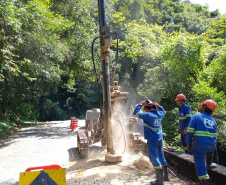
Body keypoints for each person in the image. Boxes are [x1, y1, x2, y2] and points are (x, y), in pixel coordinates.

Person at [133, 100, 168, 185]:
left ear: (148, 109)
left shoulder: (148, 115)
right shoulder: (160, 114)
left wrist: (140, 104)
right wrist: (158, 105)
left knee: (154, 158)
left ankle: (159, 181)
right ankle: (166, 177)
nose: (146, 111)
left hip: (152, 139)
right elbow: (163, 110)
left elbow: (136, 113)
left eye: (146, 109)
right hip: (159, 139)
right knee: (161, 156)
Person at [187, 100, 217, 185]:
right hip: (211, 146)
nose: (200, 107)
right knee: (202, 165)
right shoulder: (213, 120)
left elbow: (189, 132)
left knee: (201, 170)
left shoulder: (196, 116)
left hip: (200, 145)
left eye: (201, 106)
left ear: (204, 107)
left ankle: (206, 182)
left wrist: (189, 143)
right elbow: (214, 135)